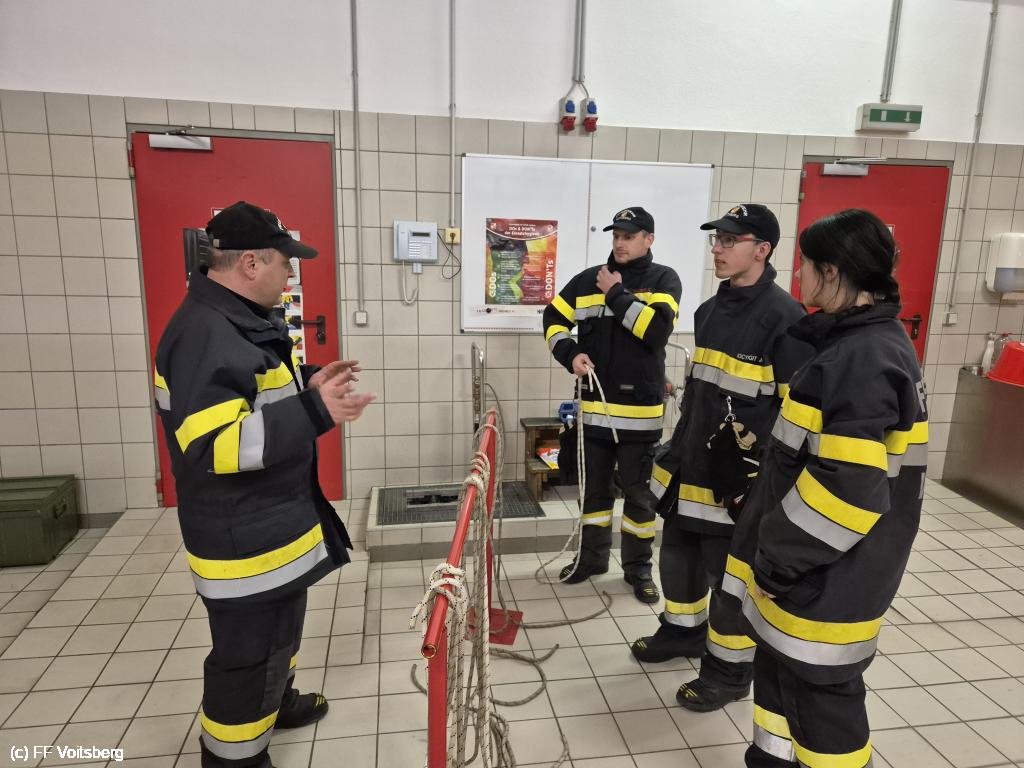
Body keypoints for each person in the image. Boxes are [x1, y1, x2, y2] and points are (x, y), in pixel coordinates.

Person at [154, 201, 376, 768]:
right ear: (251, 263)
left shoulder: (238, 320)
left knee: (281, 635)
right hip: (241, 541)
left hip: (267, 526)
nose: (291, 273)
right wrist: (314, 411)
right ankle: (234, 757)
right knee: (246, 659)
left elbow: (254, 397)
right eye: (285, 262)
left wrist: (310, 385)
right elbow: (213, 446)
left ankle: (276, 703)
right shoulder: (204, 335)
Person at [725, 209, 929, 768]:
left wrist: (776, 565)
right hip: (818, 569)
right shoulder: (863, 345)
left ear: (832, 272)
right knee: (780, 682)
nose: (798, 275)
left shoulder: (860, 359)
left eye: (806, 264)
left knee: (821, 703)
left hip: (825, 576)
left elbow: (847, 494)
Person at [631, 204, 811, 714]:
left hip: (741, 477)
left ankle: (729, 673)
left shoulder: (787, 320)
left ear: (762, 250)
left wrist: (765, 482)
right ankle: (682, 632)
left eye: (731, 240)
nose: (718, 248)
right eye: (717, 239)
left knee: (729, 580)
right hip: (693, 463)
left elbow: (794, 415)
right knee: (679, 556)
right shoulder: (709, 311)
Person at [542, 206, 681, 603]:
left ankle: (638, 569)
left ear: (648, 239)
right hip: (594, 414)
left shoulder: (663, 279)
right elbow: (553, 319)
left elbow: (656, 332)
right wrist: (570, 353)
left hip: (640, 417)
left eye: (629, 236)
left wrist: (616, 294)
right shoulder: (587, 280)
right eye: (616, 235)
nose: (620, 242)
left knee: (639, 498)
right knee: (594, 495)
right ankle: (591, 560)